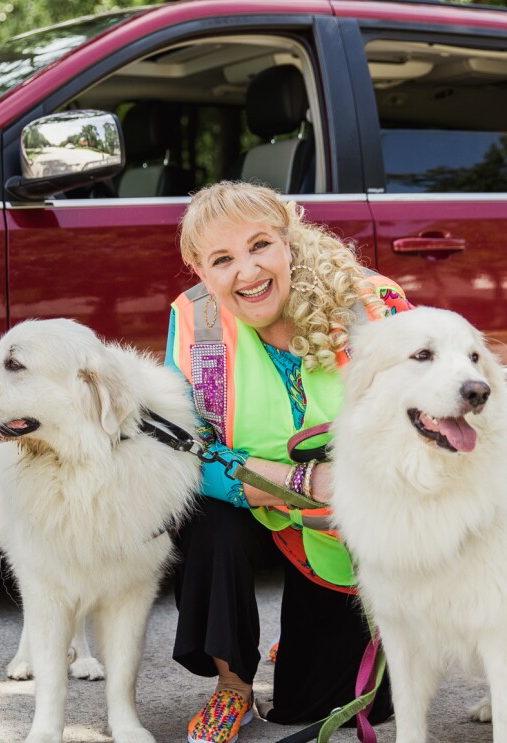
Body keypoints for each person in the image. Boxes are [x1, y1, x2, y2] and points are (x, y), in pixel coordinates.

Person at [165, 181, 410, 743]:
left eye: (260, 246)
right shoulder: (196, 320)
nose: (247, 272)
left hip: (354, 522)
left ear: (288, 241)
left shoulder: (373, 303)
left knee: (318, 705)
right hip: (256, 501)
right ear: (199, 269)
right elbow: (186, 449)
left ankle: (308, 637)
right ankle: (232, 685)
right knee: (203, 519)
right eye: (222, 259)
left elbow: (423, 423)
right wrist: (304, 481)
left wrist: (362, 492)